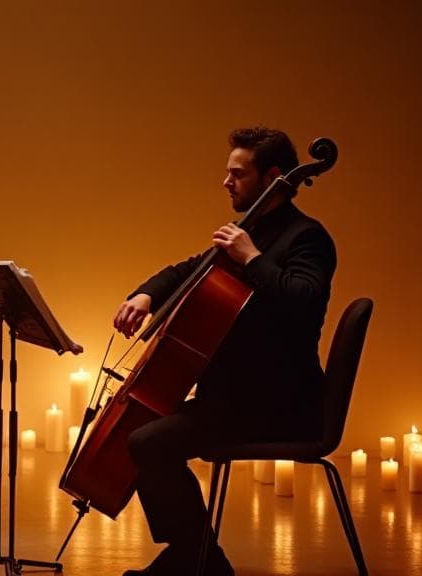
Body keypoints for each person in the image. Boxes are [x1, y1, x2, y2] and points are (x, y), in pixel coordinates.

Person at [113, 128, 337, 576]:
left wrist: (253, 258)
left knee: (148, 441)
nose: (226, 181)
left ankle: (196, 559)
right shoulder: (250, 229)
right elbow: (188, 269)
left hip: (279, 403)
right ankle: (197, 557)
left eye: (238, 173)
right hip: (235, 399)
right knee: (143, 431)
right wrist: (147, 296)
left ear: (273, 177)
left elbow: (304, 301)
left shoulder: (307, 238)